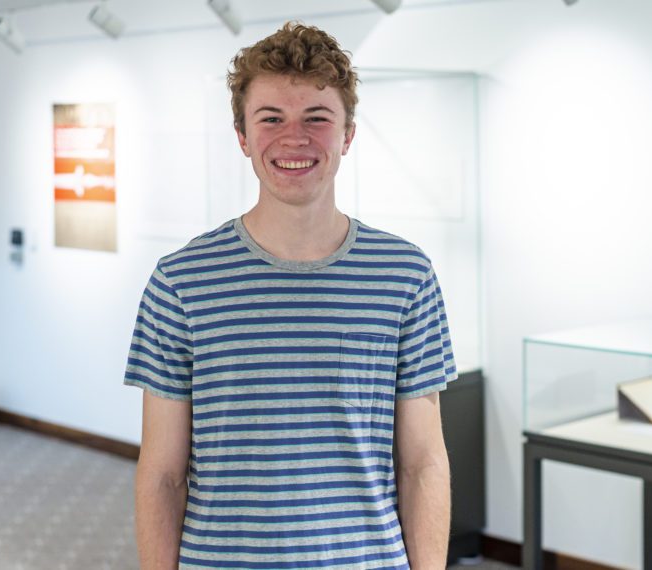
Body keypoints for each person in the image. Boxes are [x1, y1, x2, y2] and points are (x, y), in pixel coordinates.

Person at [124, 21, 458, 570]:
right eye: (271, 118)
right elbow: (162, 474)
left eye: (317, 118)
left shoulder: (406, 276)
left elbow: (422, 464)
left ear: (348, 134)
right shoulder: (180, 282)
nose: (294, 138)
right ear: (242, 136)